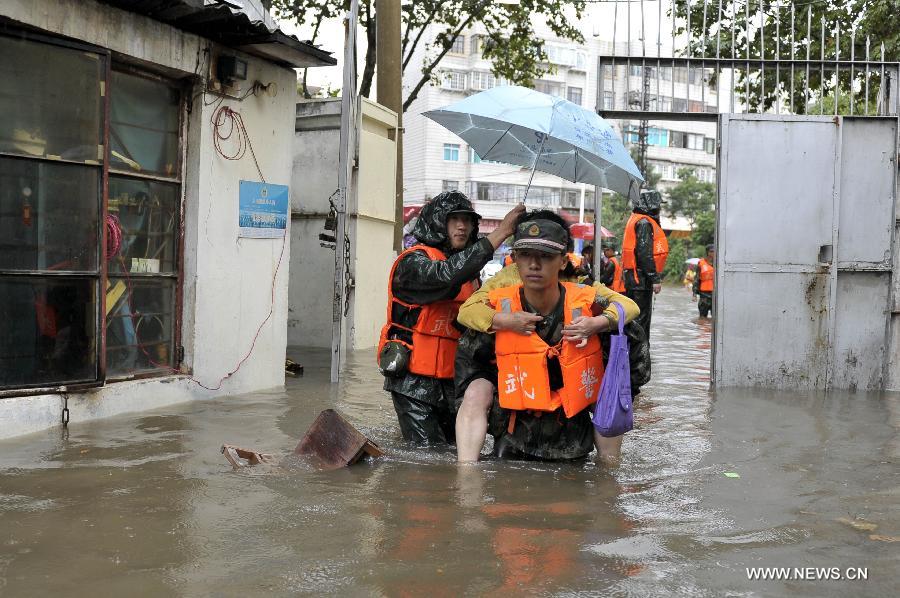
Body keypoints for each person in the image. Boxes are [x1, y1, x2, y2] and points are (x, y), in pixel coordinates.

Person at [453, 210, 639, 463]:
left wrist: (596, 323)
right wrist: (505, 321)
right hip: (515, 409)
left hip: (572, 413)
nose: (534, 265)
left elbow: (628, 308)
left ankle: (609, 472)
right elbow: (467, 316)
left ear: (562, 261)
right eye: (526, 255)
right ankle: (466, 476)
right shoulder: (500, 294)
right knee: (476, 391)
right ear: (515, 259)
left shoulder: (585, 291)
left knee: (609, 391)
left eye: (545, 256)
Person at [377, 191, 525, 445]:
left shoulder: (471, 273)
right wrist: (501, 232)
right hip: (413, 382)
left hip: (453, 383)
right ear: (437, 222)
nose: (462, 226)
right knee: (426, 458)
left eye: (467, 220)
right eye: (454, 219)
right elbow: (444, 276)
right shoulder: (413, 262)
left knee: (455, 452)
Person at [622, 190, 669, 343]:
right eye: (658, 205)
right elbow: (644, 253)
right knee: (640, 322)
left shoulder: (636, 219)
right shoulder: (644, 223)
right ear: (651, 205)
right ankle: (640, 357)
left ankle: (632, 353)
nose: (659, 209)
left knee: (634, 320)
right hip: (640, 281)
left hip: (634, 280)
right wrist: (655, 278)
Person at [693, 245, 715, 318]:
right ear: (707, 253)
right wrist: (694, 294)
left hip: (716, 295)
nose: (713, 253)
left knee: (715, 319)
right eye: (711, 251)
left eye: (715, 251)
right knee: (702, 318)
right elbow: (696, 279)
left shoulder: (720, 263)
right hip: (704, 295)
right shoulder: (701, 263)